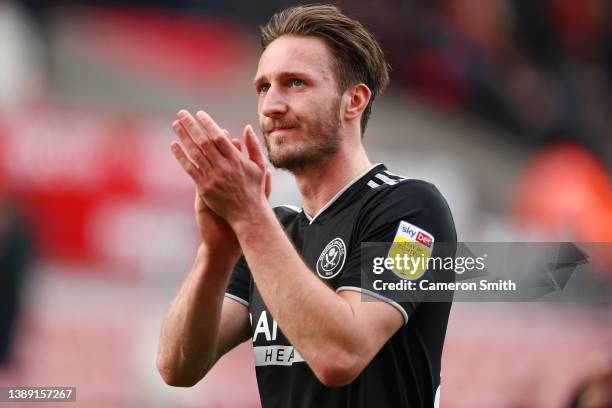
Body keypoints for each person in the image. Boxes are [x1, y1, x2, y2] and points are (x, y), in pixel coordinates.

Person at [157, 4, 457, 407]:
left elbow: (340, 355)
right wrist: (215, 252)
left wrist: (248, 217)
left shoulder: (414, 211)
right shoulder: (272, 231)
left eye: (295, 83)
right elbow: (177, 367)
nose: (271, 106)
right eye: (263, 87)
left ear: (354, 101)